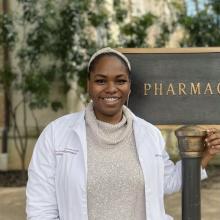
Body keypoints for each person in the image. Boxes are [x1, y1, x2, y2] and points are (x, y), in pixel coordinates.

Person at [26, 47, 220, 220]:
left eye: (120, 81)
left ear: (129, 87)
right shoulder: (56, 134)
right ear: (89, 84)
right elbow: (40, 208)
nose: (111, 89)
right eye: (101, 80)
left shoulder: (149, 134)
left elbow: (167, 182)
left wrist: (203, 156)